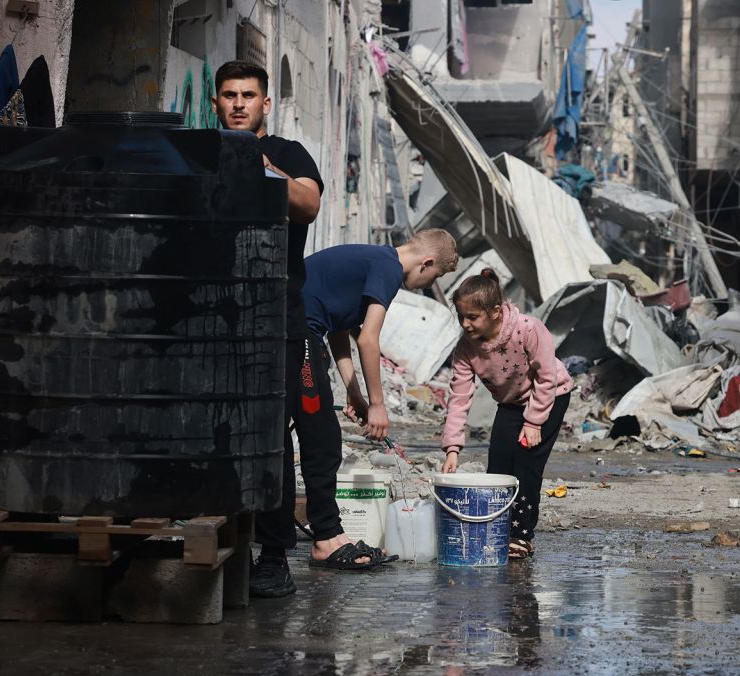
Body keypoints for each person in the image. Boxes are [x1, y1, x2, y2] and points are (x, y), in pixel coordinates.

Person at [211, 60, 323, 598]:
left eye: (248, 95)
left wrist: (259, 165)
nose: (238, 104)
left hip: (278, 317)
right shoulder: (202, 154)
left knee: (272, 436)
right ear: (215, 102)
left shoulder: (286, 153)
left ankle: (274, 555)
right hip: (215, 316)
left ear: (264, 103)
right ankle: (220, 536)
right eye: (229, 95)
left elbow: (308, 204)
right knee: (216, 429)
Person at [291, 229, 459, 570]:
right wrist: (379, 406)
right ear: (426, 262)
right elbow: (368, 340)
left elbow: (340, 332)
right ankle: (325, 538)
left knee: (316, 433)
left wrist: (355, 393)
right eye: (434, 277)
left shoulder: (374, 260)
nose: (427, 284)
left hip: (301, 331)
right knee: (322, 439)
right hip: (296, 332)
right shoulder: (388, 268)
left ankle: (328, 534)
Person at [440, 269, 573, 560]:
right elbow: (459, 398)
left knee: (526, 462)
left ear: (496, 312)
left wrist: (534, 421)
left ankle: (521, 536)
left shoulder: (528, 328)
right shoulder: (466, 349)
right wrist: (452, 448)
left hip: (550, 396)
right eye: (461, 317)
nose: (465, 324)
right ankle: (499, 525)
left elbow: (547, 377)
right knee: (499, 463)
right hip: (511, 402)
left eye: (472, 317)